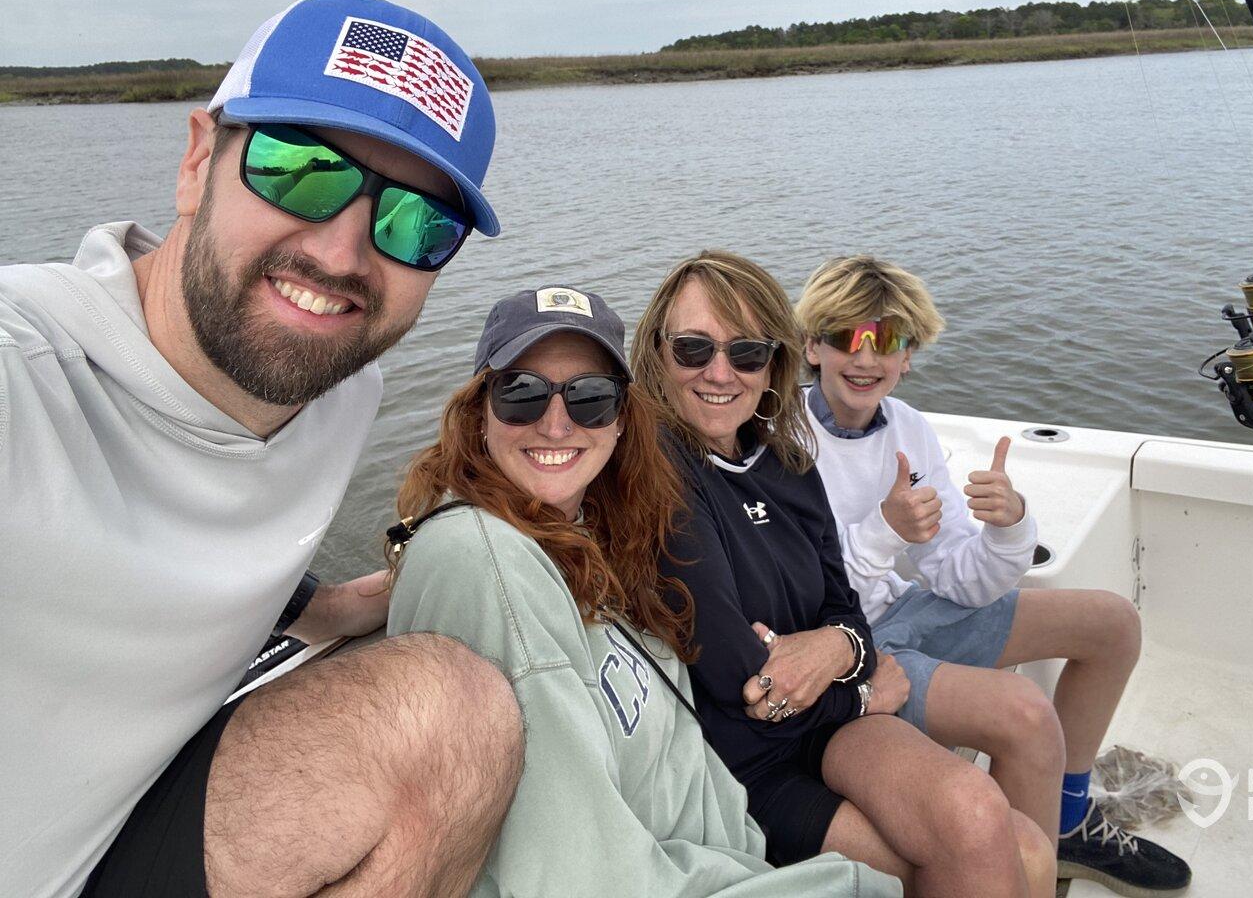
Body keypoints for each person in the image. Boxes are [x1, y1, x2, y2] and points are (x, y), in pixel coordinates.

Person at [1, 0, 524, 898]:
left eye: (417, 223)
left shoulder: (337, 383)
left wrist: (319, 604)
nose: (343, 253)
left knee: (460, 717)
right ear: (198, 160)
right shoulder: (29, 377)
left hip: (136, 815)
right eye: (300, 169)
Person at [384, 286, 900, 897]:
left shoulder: (594, 536)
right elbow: (580, 873)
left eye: (591, 397)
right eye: (520, 394)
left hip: (727, 837)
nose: (556, 423)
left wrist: (840, 650)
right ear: (478, 410)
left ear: (623, 418)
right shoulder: (484, 559)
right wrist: (859, 697)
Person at [632, 250, 1056, 898]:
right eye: (693, 349)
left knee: (1006, 835)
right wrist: (860, 692)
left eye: (746, 352)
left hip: (829, 725)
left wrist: (836, 646)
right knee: (954, 861)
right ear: (658, 353)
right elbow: (745, 681)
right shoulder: (662, 477)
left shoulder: (785, 464)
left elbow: (846, 610)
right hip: (747, 767)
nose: (721, 372)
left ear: (773, 360)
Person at [794, 255, 1192, 896]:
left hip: (904, 609)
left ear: (908, 357)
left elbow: (959, 578)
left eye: (887, 341)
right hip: (847, 647)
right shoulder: (782, 440)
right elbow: (803, 595)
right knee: (1026, 715)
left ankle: (1067, 822)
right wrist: (885, 531)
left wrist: (1007, 528)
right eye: (846, 336)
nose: (866, 358)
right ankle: (1027, 878)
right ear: (812, 344)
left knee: (1112, 623)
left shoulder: (909, 428)